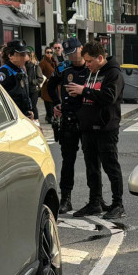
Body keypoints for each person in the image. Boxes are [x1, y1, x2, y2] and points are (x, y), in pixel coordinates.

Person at [66, 42, 125, 219]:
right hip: (87, 128)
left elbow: (108, 97)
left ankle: (118, 204)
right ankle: (95, 202)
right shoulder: (91, 73)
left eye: (90, 61)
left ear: (100, 58)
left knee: (110, 166)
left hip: (106, 127)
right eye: (85, 61)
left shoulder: (113, 73)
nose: (87, 64)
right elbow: (87, 95)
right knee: (92, 168)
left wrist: (84, 90)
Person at [47, 38, 93, 214]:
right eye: (68, 54)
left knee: (92, 160)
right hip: (69, 118)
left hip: (87, 118)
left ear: (81, 48)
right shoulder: (63, 68)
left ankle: (95, 198)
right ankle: (66, 198)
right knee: (68, 161)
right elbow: (50, 87)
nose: (72, 56)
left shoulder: (90, 68)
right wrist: (57, 104)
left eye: (74, 52)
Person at [0, 40, 34, 119]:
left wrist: (28, 110)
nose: (25, 58)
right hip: (12, 116)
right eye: (21, 55)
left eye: (25, 54)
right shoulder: (3, 72)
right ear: (10, 55)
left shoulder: (20, 70)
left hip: (23, 115)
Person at [40, 47, 59, 138]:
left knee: (53, 100)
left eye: (51, 52)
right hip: (47, 85)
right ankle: (49, 116)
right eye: (47, 52)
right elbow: (40, 73)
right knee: (48, 101)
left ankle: (50, 116)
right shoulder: (43, 62)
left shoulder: (54, 61)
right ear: (45, 53)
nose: (49, 54)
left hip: (55, 85)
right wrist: (45, 79)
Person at [25, 47, 45, 122]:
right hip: (25, 89)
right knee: (27, 107)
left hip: (33, 89)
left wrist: (32, 81)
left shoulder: (35, 66)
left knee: (33, 106)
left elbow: (40, 78)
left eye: (26, 55)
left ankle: (36, 120)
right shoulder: (22, 66)